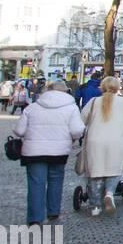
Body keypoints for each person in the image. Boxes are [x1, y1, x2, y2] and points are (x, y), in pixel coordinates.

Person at [12, 80, 85, 224]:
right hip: (59, 151)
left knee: (36, 184)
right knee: (56, 180)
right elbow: (77, 130)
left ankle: (35, 217)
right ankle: (53, 211)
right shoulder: (71, 108)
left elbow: (19, 130)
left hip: (33, 152)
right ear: (65, 91)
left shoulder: (32, 107)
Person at [80, 76, 123, 217]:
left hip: (95, 140)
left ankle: (95, 206)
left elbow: (83, 119)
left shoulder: (93, 102)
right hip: (117, 140)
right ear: (118, 87)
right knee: (114, 169)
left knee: (95, 172)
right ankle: (109, 193)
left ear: (102, 87)